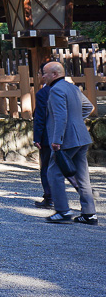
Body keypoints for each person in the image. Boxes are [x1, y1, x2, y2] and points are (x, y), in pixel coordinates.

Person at [42, 62, 97, 225]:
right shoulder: (72, 88)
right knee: (82, 176)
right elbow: (89, 107)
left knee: (53, 172)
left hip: (66, 139)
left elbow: (60, 117)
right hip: (82, 137)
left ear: (54, 74)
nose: (42, 76)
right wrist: (77, 121)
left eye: (44, 73)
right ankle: (89, 214)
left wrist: (57, 140)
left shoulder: (56, 90)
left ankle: (62, 210)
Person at [33, 61, 55, 209]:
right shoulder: (71, 89)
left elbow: (40, 118)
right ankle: (84, 194)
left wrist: (37, 137)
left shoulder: (43, 93)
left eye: (40, 73)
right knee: (68, 167)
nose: (39, 76)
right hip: (67, 136)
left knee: (46, 167)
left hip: (48, 136)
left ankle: (49, 197)